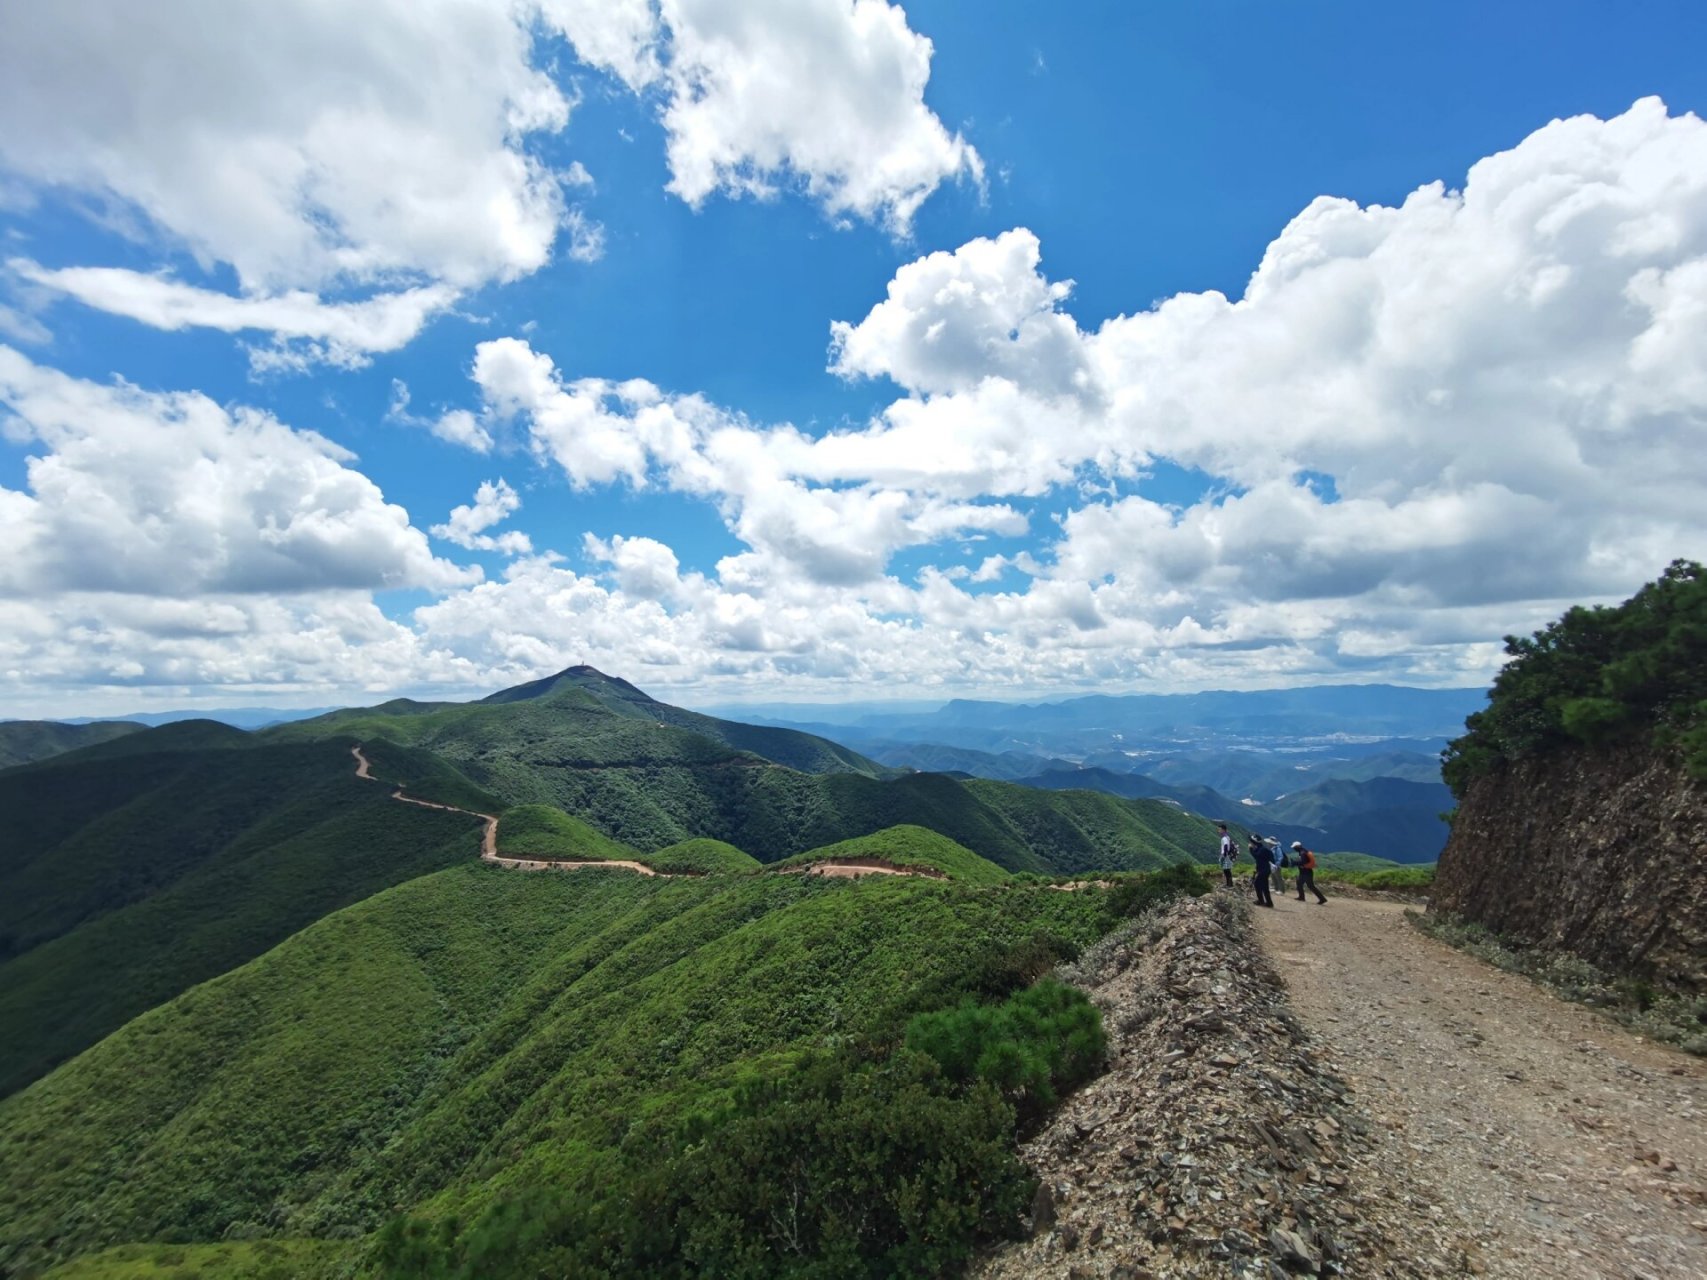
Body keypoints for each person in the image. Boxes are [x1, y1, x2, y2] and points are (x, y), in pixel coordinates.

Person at [1249, 832, 1274, 907]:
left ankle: (1261, 901)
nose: (1251, 843)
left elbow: (1256, 856)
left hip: (1264, 870)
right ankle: (1269, 902)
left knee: (1257, 884)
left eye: (1252, 842)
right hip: (1265, 869)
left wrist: (1250, 849)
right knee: (1264, 886)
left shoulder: (1262, 850)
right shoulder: (1261, 848)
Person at [1217, 823, 1235, 887]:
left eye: (1219, 829)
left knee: (1226, 870)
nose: (1218, 831)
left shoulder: (1224, 838)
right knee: (1227, 870)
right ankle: (1229, 884)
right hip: (1227, 855)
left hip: (1225, 856)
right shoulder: (1227, 837)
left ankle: (1229, 884)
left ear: (1223, 830)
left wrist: (1224, 855)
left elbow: (1226, 846)